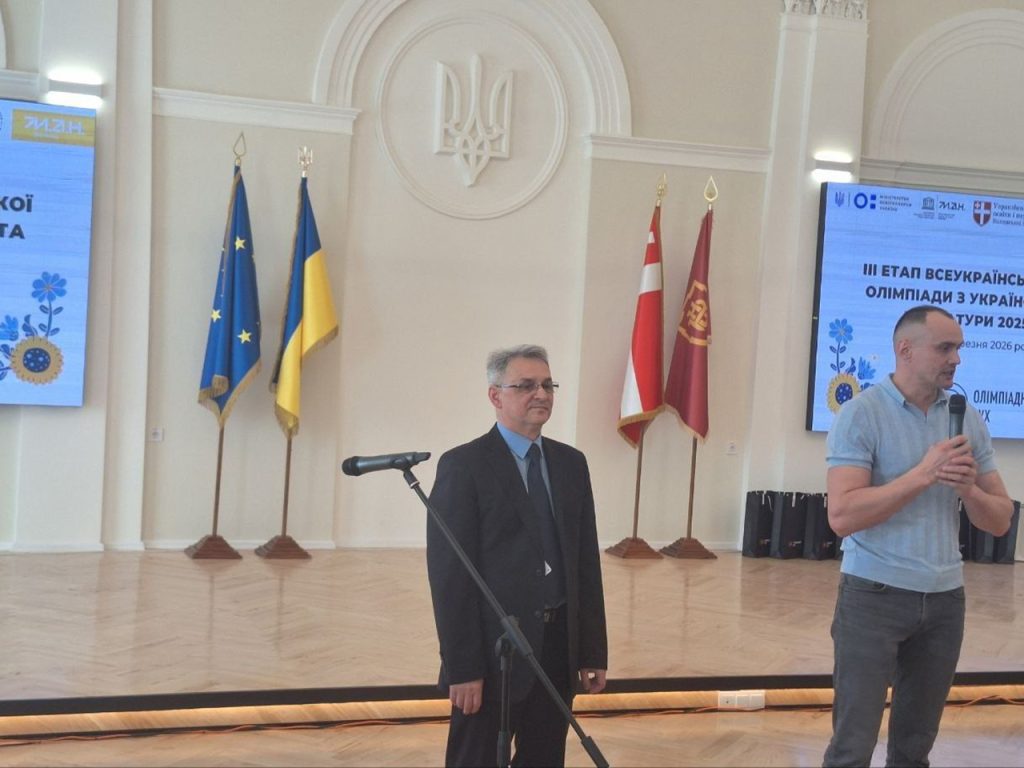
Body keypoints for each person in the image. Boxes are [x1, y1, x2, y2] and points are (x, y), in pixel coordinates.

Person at [822, 305, 1013, 767]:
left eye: (959, 349)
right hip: (873, 597)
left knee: (914, 750)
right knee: (852, 748)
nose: (956, 359)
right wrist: (924, 474)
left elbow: (1001, 520)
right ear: (905, 350)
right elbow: (842, 516)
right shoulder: (861, 414)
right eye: (945, 348)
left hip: (946, 601)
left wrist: (968, 489)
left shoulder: (966, 418)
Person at [426, 344, 608, 767]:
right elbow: (450, 579)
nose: (541, 394)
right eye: (526, 386)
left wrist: (591, 650)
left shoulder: (571, 464)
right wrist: (462, 668)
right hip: (495, 656)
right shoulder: (464, 465)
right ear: (495, 395)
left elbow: (584, 564)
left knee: (544, 758)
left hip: (557, 649)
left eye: (547, 385)